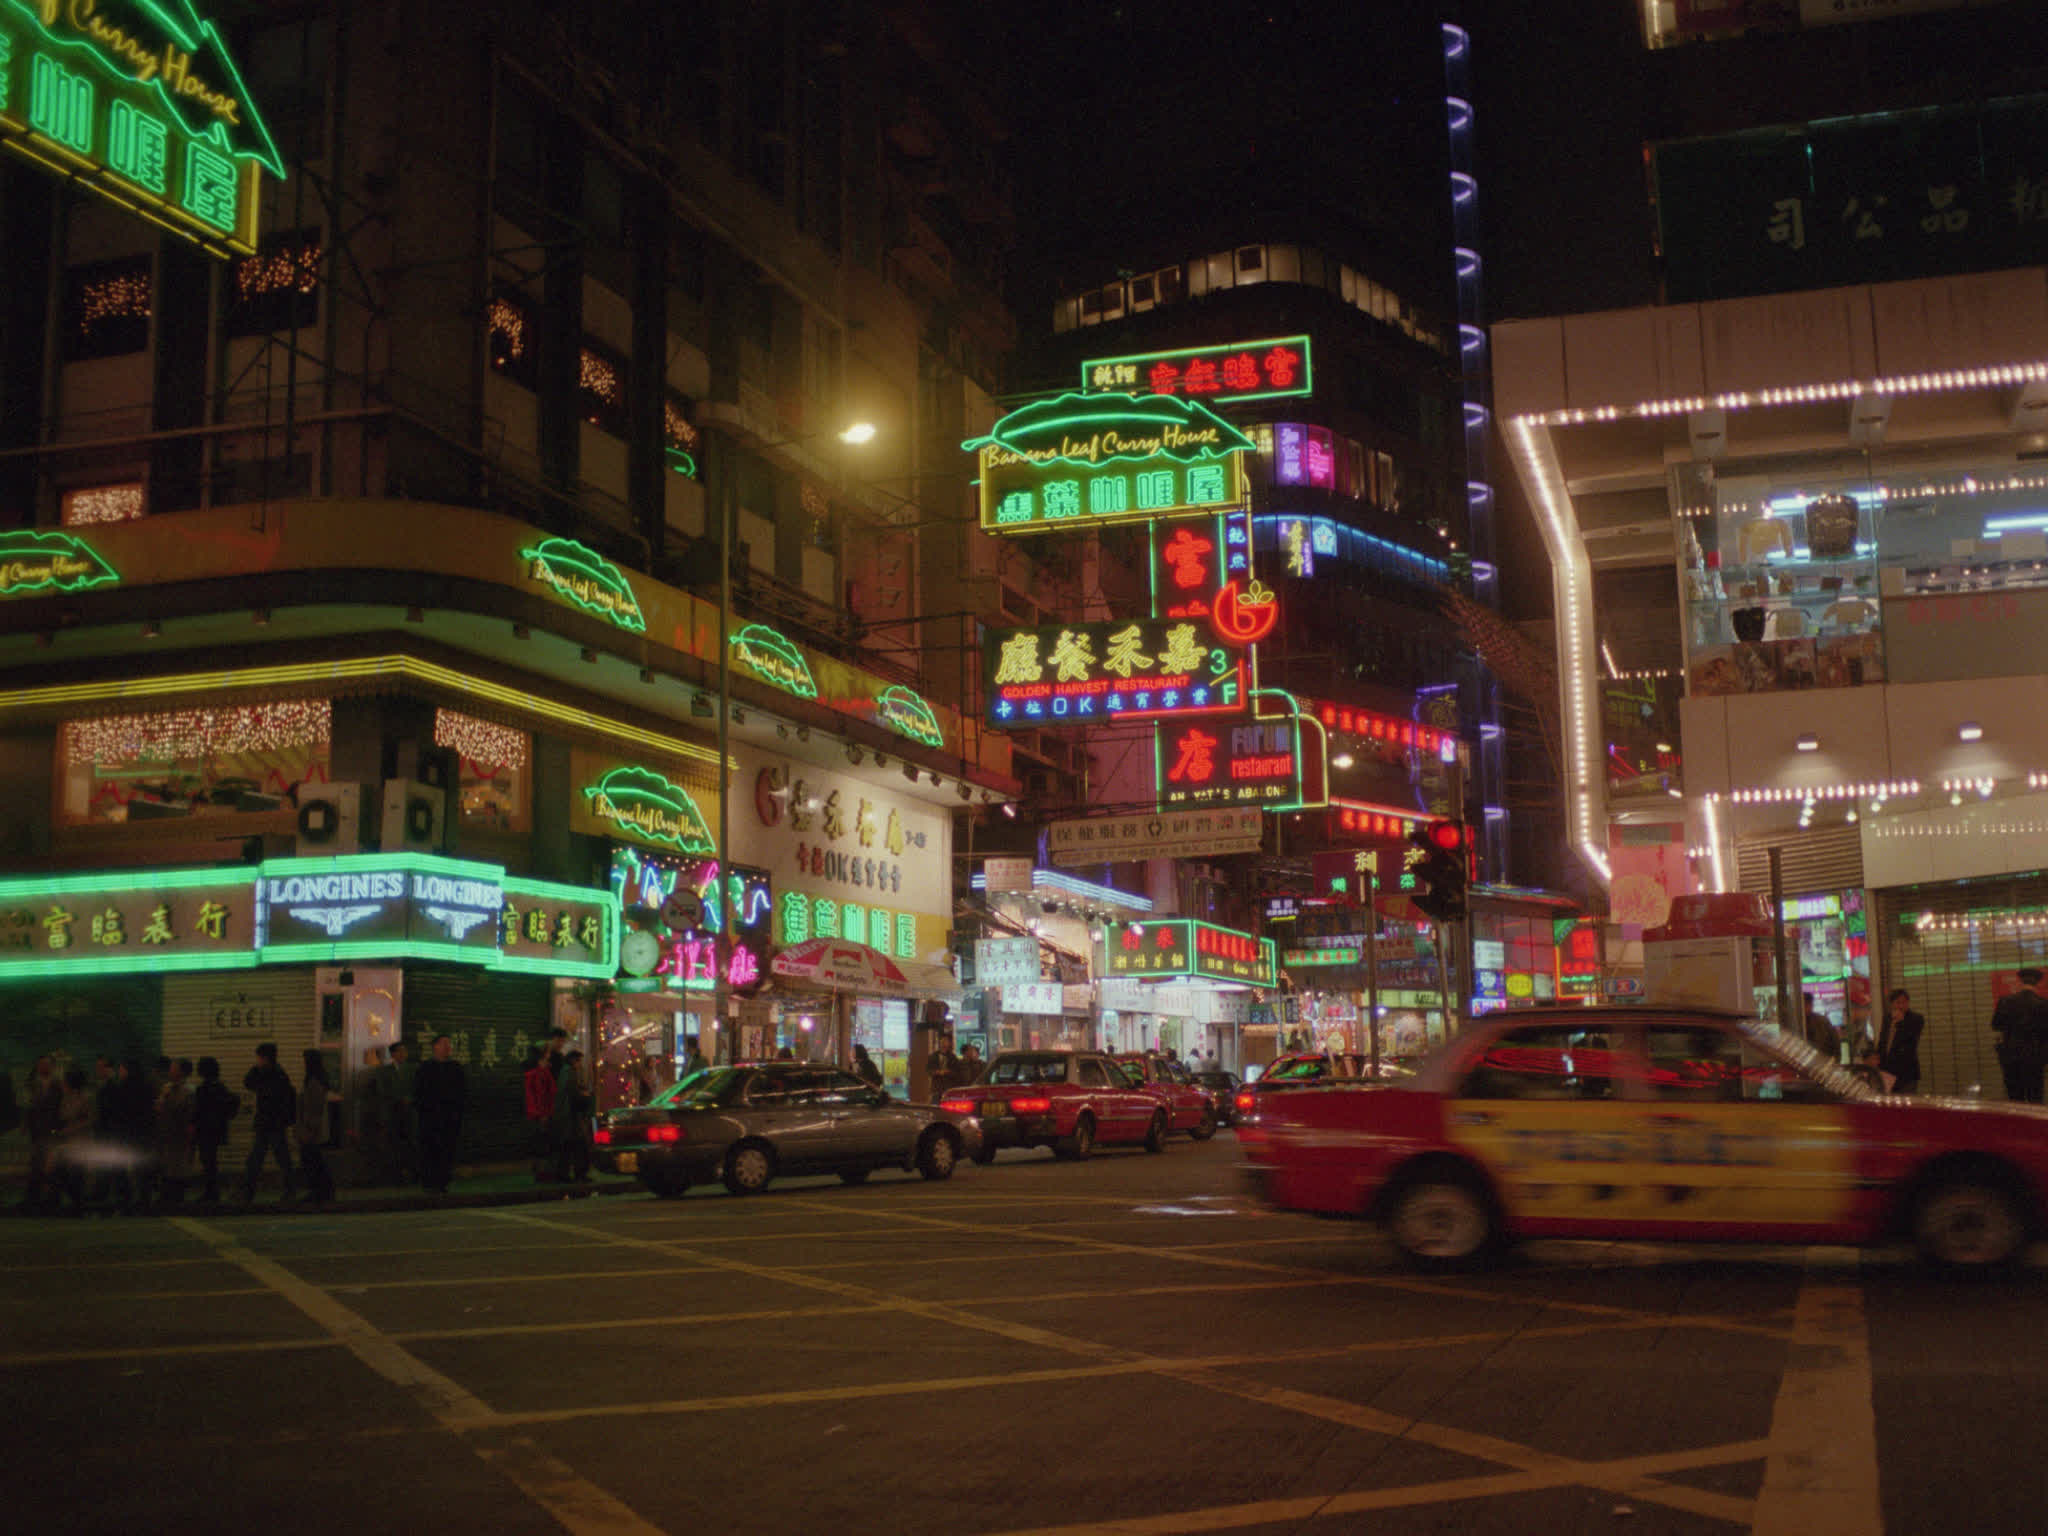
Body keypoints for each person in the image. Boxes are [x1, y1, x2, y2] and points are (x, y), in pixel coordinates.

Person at [241, 1042, 297, 1203]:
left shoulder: (274, 1075)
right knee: (276, 1158)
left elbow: (250, 1084)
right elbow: (249, 1083)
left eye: (258, 1057)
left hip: (271, 1123)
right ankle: (288, 1190)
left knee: (260, 1158)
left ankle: (249, 1192)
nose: (257, 1060)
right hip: (273, 1123)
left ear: (265, 1058)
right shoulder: (276, 1074)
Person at [412, 1034, 466, 1193]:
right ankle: (429, 1181)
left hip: (450, 1118)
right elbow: (418, 1092)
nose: (447, 1047)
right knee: (429, 1149)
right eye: (443, 1044)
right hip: (430, 1118)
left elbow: (462, 1093)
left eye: (449, 1044)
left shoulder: (456, 1068)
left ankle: (443, 1181)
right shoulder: (425, 1068)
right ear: (435, 1046)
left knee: (447, 1149)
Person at [1991, 968, 2048, 1105]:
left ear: (2021, 981)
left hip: (2011, 1057)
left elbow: (1995, 1025)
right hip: (2035, 1058)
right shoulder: (2044, 1004)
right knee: (2035, 1098)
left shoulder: (2005, 1001)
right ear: (2037, 983)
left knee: (2015, 1099)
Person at [191, 1057, 238, 1204]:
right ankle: (212, 1192)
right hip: (217, 1130)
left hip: (205, 1130)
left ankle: (211, 1192)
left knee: (208, 1162)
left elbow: (198, 1111)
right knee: (211, 1162)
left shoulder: (203, 1089)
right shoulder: (220, 1087)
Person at [20, 1055, 62, 1213]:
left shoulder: (57, 1085)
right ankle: (35, 1199)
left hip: (50, 1129)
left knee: (48, 1165)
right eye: (40, 1064)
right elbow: (28, 1105)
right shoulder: (34, 1085)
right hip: (37, 1130)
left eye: (45, 1065)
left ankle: (48, 1199)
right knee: (37, 1164)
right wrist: (26, 1123)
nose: (41, 1067)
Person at [296, 1050, 338, 1204]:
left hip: (311, 1129)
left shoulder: (313, 1081)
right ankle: (323, 1191)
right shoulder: (320, 1078)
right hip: (314, 1128)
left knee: (312, 1160)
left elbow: (313, 1107)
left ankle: (320, 1191)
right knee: (315, 1160)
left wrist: (308, 1129)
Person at [154, 1058, 195, 1206]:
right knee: (167, 1165)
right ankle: (166, 1194)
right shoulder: (167, 1087)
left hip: (180, 1133)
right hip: (166, 1132)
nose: (170, 1071)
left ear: (182, 1072)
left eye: (173, 1068)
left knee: (179, 1166)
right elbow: (159, 1107)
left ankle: (177, 1196)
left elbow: (189, 1113)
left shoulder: (189, 1091)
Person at [1873, 988, 1925, 1095]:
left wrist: (1901, 1023)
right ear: (1892, 1004)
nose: (1901, 1006)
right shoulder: (1887, 1018)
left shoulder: (1916, 1019)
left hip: (1906, 1072)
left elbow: (1911, 1040)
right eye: (1898, 1002)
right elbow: (1883, 1041)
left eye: (1904, 1002)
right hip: (1887, 1072)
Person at [550, 1049, 592, 1183]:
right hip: (571, 1116)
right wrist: (584, 1096)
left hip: (567, 1115)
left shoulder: (565, 1072)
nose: (580, 1064)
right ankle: (577, 1174)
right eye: (579, 1061)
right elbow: (573, 1095)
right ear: (574, 1060)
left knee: (568, 1146)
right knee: (578, 1146)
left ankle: (565, 1174)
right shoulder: (570, 1072)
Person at [523, 1045, 558, 1182]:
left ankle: (542, 1172)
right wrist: (542, 1113)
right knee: (542, 1143)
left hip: (539, 1113)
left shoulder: (539, 1073)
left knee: (541, 1142)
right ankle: (542, 1172)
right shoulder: (538, 1074)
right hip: (541, 1113)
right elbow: (539, 1095)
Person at [387, 1039, 419, 1184]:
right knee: (394, 1144)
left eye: (405, 1051)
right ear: (393, 1054)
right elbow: (383, 1090)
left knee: (411, 1143)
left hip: (409, 1112)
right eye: (400, 1051)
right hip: (393, 1113)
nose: (403, 1054)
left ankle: (412, 1173)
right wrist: (398, 1099)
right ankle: (396, 1175)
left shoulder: (413, 1069)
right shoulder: (384, 1071)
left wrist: (410, 1099)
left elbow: (418, 1088)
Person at [1801, 993, 1839, 1059]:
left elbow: (1835, 1045)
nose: (1806, 1007)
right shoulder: (1822, 1021)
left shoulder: (1822, 1021)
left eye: (1808, 1004)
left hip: (1820, 1061)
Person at [926, 1032, 961, 1100]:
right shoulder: (933, 1056)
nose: (943, 1043)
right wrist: (937, 1072)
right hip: (936, 1088)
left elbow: (957, 1072)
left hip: (949, 1088)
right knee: (935, 1106)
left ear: (949, 1043)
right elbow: (928, 1070)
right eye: (942, 1041)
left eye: (946, 1041)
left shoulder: (953, 1057)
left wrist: (948, 1072)